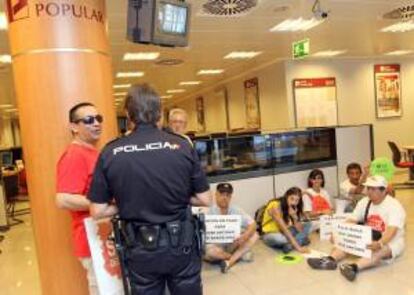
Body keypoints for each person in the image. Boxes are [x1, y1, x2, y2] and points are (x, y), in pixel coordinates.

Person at [88, 84, 212, 295]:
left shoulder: (110, 152)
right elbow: (205, 199)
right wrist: (181, 198)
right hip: (181, 245)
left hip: (140, 249)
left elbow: (97, 211)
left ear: (128, 114)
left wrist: (124, 205)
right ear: (160, 114)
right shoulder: (182, 146)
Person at [307, 175, 406, 282]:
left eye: (373, 189)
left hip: (390, 241)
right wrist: (339, 233)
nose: (369, 192)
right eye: (368, 188)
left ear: (383, 191)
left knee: (379, 251)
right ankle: (329, 260)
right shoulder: (365, 202)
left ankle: (353, 267)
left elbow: (392, 231)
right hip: (369, 235)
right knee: (344, 240)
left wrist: (380, 243)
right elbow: (351, 220)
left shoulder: (394, 206)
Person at [56, 102, 103, 295]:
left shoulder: (92, 152)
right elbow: (62, 199)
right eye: (89, 120)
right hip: (89, 237)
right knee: (102, 289)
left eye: (98, 119)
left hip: (101, 235)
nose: (96, 124)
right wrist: (102, 205)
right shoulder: (74, 155)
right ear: (74, 127)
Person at [204, 183, 259, 273]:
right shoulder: (208, 211)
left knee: (255, 235)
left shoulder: (236, 209)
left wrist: (244, 236)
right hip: (216, 246)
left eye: (228, 195)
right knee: (210, 252)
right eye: (222, 194)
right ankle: (237, 256)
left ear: (230, 197)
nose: (224, 197)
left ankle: (229, 262)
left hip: (232, 244)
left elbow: (253, 224)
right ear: (216, 195)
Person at [261, 187, 311, 254]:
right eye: (291, 199)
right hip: (270, 234)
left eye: (296, 200)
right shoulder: (275, 205)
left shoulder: (292, 207)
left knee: (308, 224)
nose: (293, 202)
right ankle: (297, 241)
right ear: (286, 196)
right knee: (281, 239)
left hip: (283, 232)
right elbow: (284, 229)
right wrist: (298, 248)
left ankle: (289, 245)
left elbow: (300, 230)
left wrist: (294, 217)